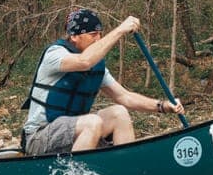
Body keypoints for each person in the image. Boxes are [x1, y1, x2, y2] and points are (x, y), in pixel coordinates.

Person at [21, 8, 185, 155]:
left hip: (75, 135)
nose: (98, 39)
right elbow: (84, 61)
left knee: (119, 113)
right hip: (39, 137)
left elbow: (125, 97)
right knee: (92, 122)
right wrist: (120, 29)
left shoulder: (96, 67)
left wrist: (163, 106)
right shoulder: (55, 54)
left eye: (100, 34)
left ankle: (125, 169)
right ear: (74, 36)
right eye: (93, 35)